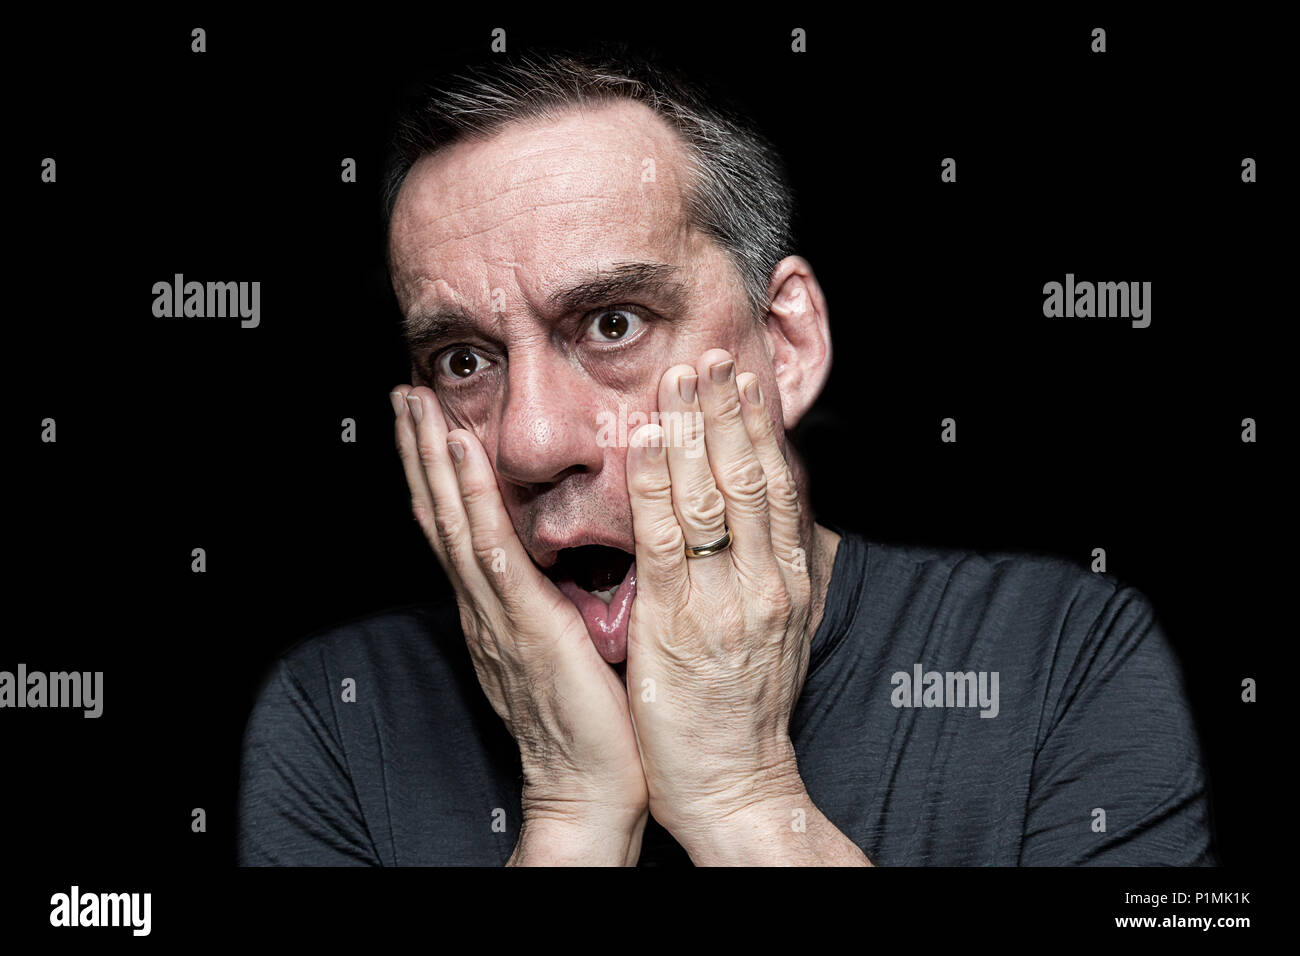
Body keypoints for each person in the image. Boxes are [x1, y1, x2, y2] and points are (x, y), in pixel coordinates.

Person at [238, 51, 1216, 866]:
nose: (531, 442)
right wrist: (572, 811)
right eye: (462, 360)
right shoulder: (338, 717)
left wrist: (741, 796)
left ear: (783, 344)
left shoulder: (1058, 657)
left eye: (612, 322)